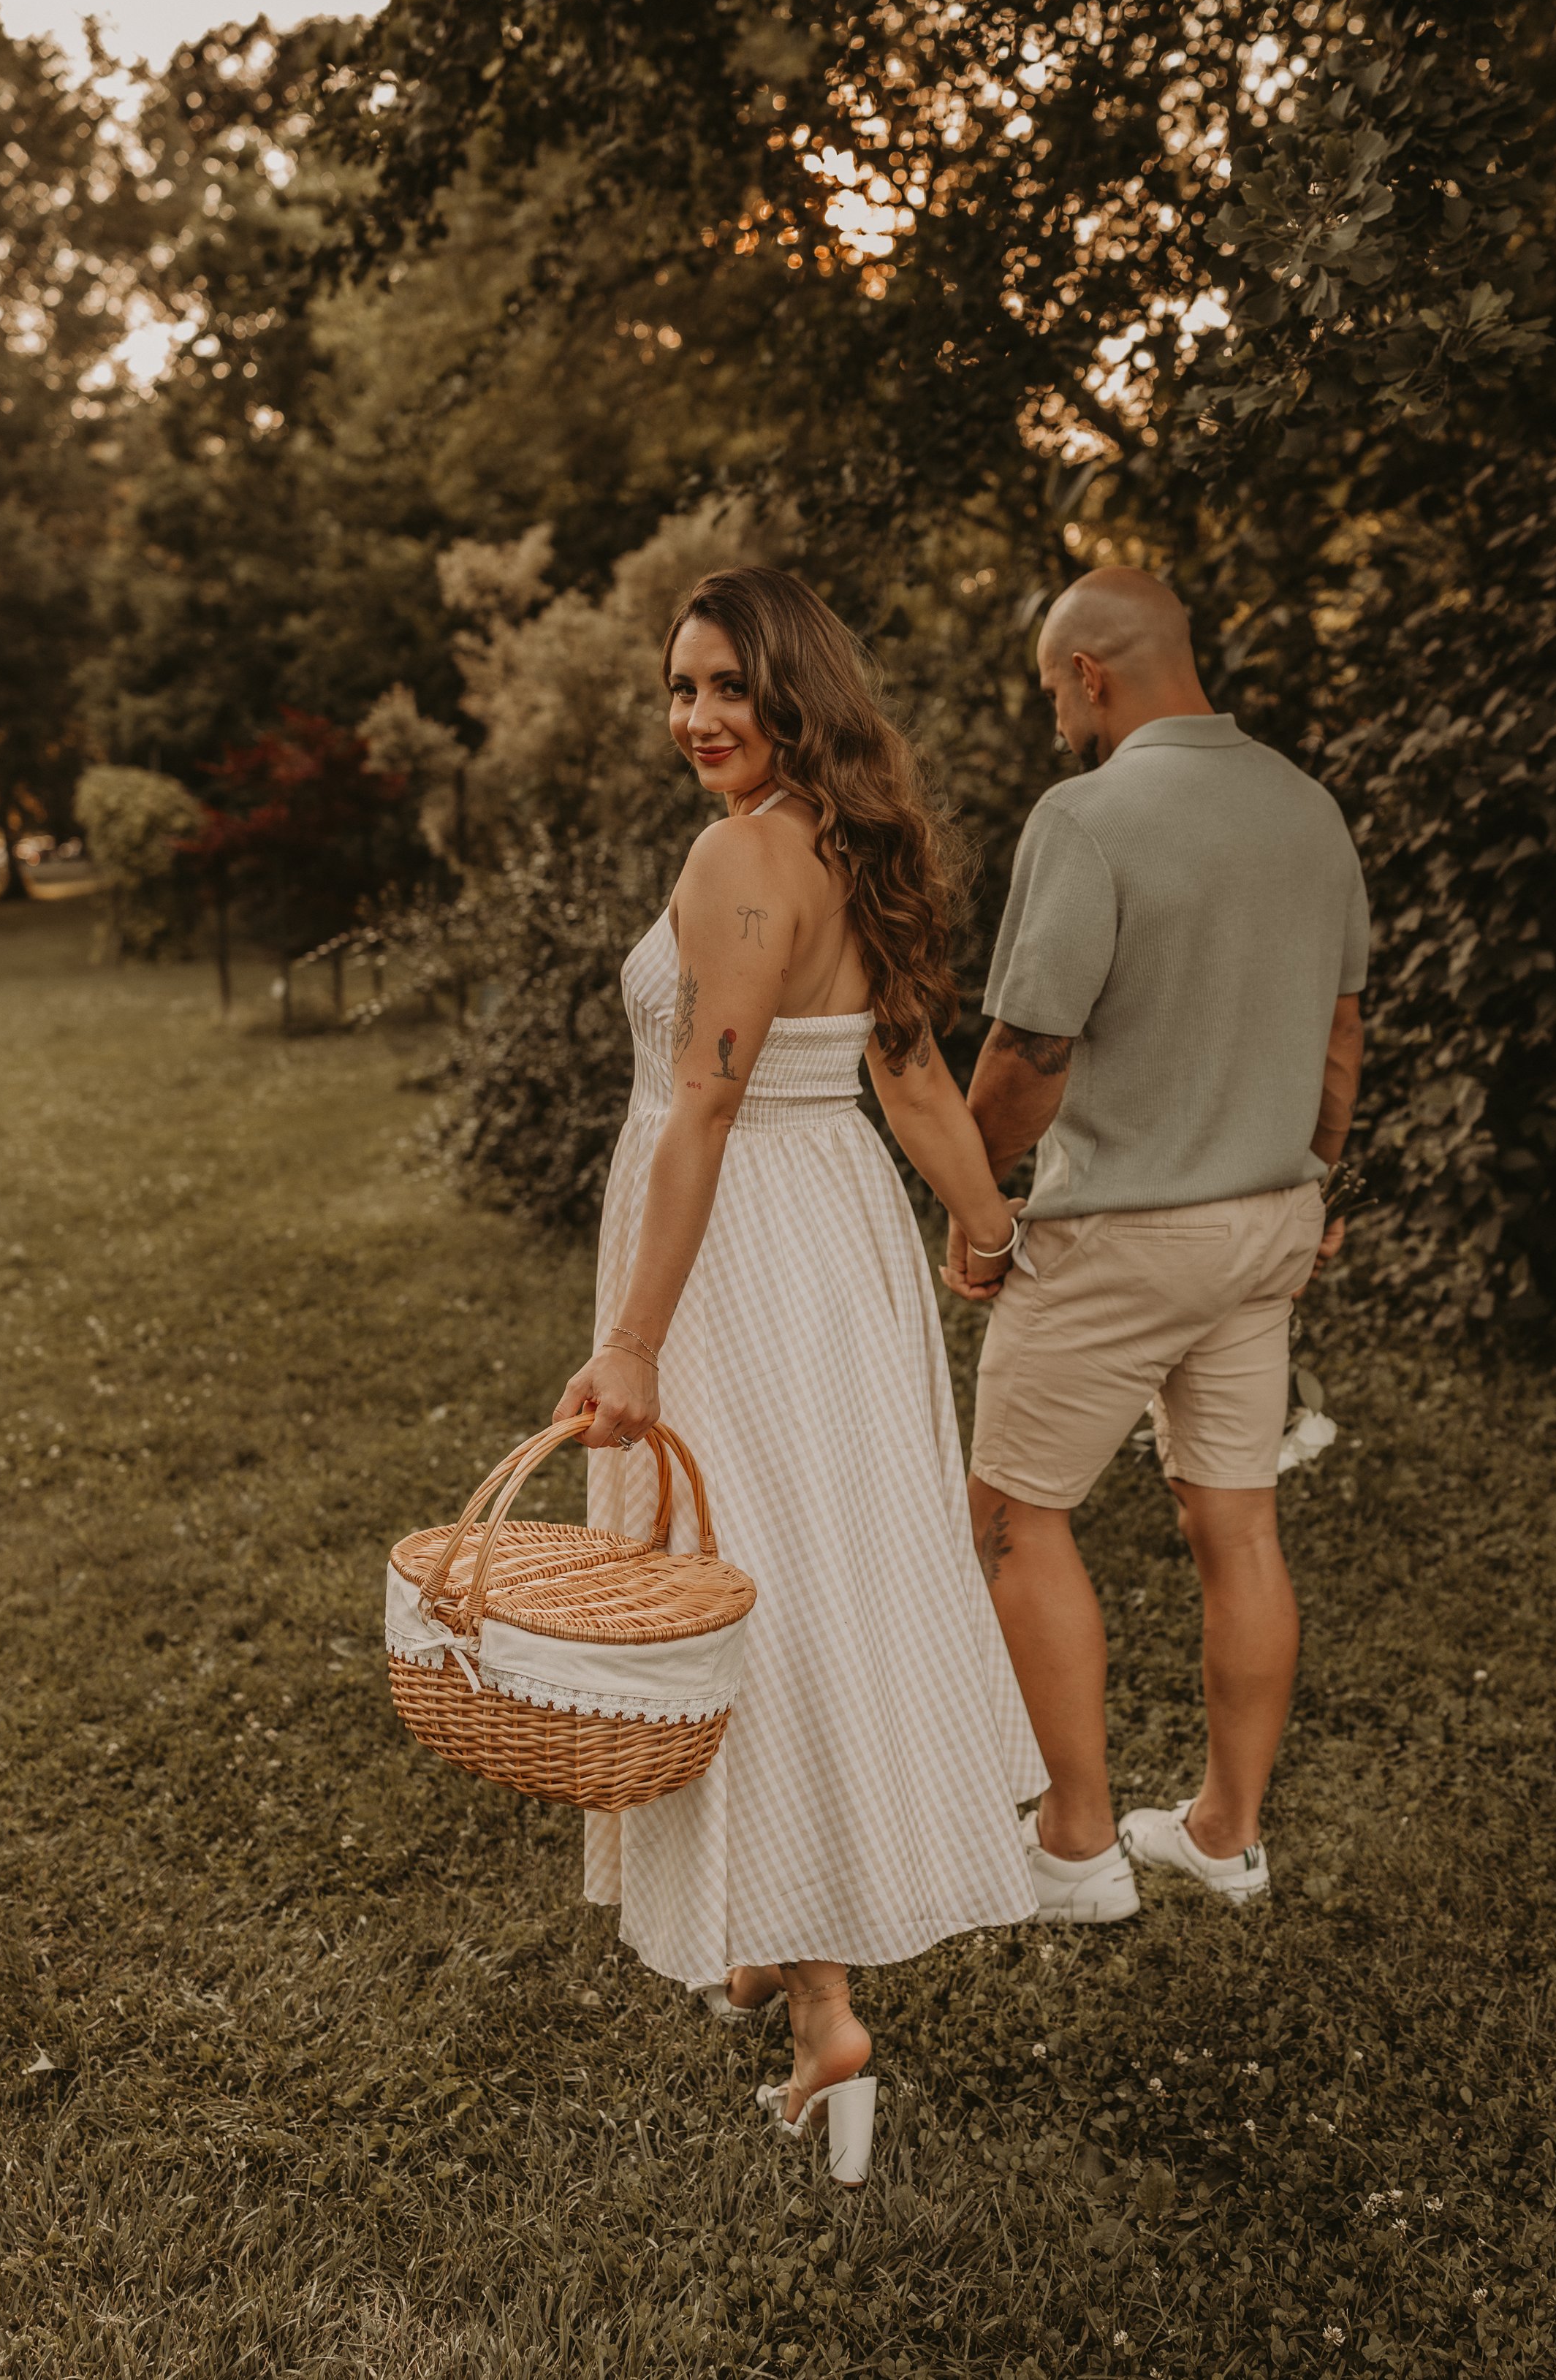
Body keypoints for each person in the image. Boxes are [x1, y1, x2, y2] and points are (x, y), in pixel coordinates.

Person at [555, 566, 1044, 2186]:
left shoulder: (736, 856)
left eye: (723, 689)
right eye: (675, 689)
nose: (693, 719)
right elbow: (900, 1066)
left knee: (744, 1574)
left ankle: (821, 2006)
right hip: (831, 1238)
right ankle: (780, 1939)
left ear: (791, 696)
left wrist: (629, 1336)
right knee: (818, 1567)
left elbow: (703, 1109)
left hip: (742, 1254)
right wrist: (977, 1226)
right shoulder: (845, 843)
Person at [943, 568, 1366, 1923]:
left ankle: (1076, 1846)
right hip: (1267, 1223)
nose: (1056, 719)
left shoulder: (1087, 815)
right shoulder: (1310, 806)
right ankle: (1225, 1834)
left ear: (1089, 676)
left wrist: (972, 1197)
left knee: (1013, 1512)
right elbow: (1342, 1041)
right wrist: (1315, 1185)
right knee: (1236, 1519)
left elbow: (1031, 1048)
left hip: (1126, 1230)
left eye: (1051, 693)